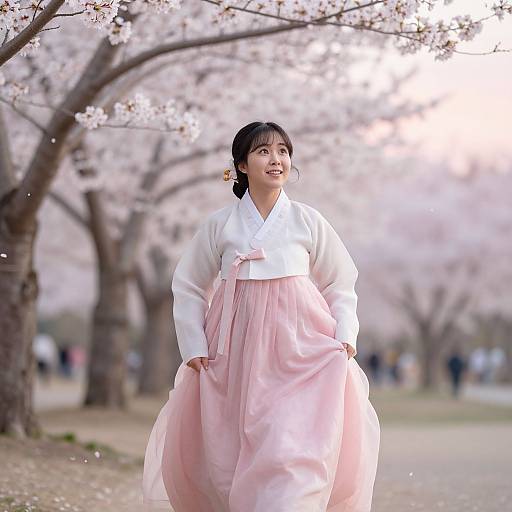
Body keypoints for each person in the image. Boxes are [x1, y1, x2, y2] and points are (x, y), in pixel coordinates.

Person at [142, 122, 380, 511]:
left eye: (283, 151)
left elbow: (340, 282)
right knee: (232, 446)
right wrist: (194, 344)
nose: (276, 160)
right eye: (264, 151)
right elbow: (187, 286)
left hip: (300, 348)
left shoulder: (307, 220)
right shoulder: (219, 224)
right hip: (233, 346)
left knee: (292, 447)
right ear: (242, 164)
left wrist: (344, 335)